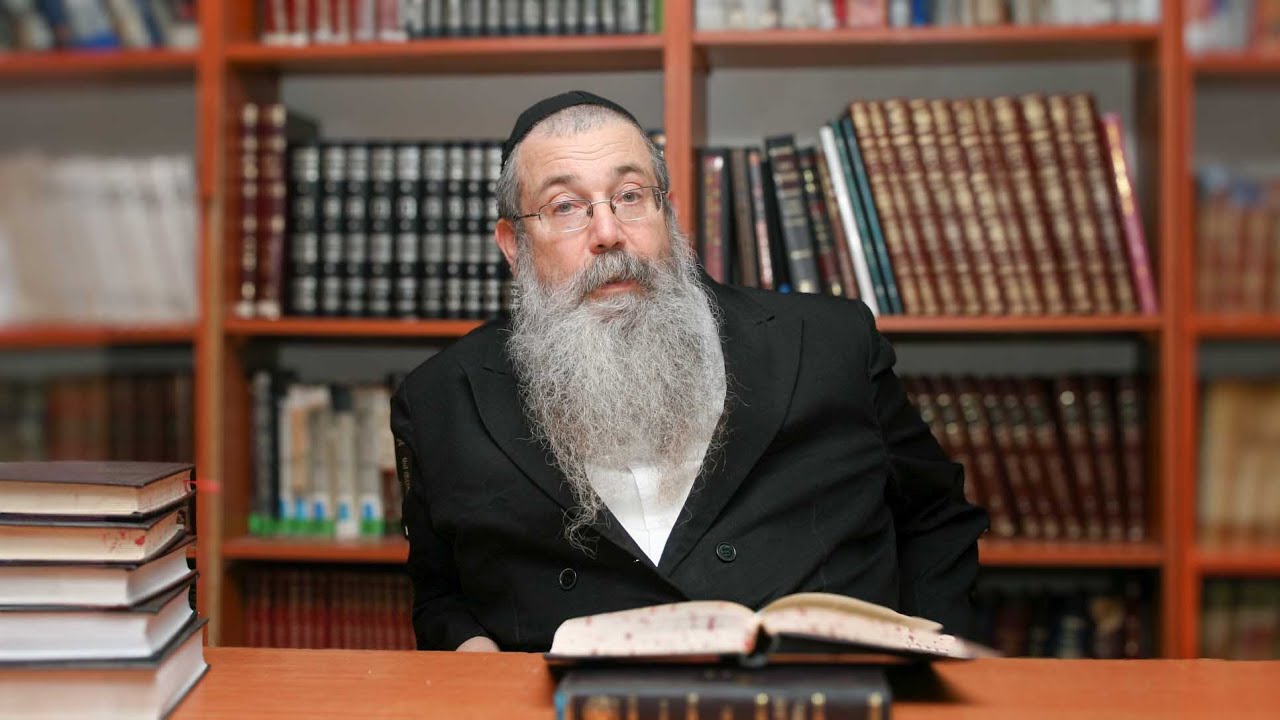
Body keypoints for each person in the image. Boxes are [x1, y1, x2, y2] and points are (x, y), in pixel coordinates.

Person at [390, 90, 989, 653]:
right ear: (514, 245)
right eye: (566, 207)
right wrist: (469, 653)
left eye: (630, 195)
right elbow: (441, 593)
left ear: (667, 212)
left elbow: (936, 519)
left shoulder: (831, 344)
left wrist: (932, 670)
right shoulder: (441, 399)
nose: (608, 233)